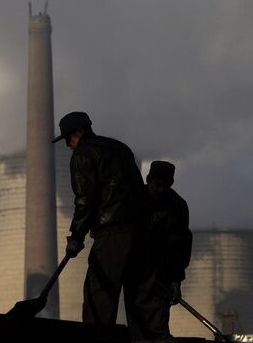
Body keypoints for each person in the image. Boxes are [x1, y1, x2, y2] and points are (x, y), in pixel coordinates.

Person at [52, 111, 169, 342]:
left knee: (100, 298)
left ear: (78, 132)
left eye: (68, 139)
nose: (68, 146)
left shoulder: (83, 155)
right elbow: (139, 191)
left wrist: (76, 236)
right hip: (140, 233)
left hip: (112, 235)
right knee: (143, 300)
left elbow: (85, 199)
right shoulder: (121, 148)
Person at [145, 161, 192, 330]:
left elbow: (180, 245)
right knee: (137, 324)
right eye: (158, 185)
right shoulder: (136, 199)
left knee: (158, 325)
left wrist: (175, 280)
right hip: (137, 273)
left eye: (166, 186)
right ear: (148, 179)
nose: (161, 190)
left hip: (162, 276)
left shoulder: (177, 206)